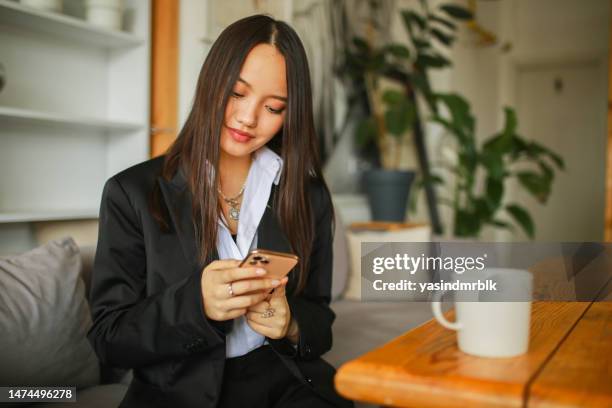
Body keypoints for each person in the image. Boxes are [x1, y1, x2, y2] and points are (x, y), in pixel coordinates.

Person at [86, 13, 355, 408]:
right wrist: (197, 304)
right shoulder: (131, 194)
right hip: (182, 393)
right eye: (237, 92)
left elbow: (321, 319)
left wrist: (292, 324)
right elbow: (109, 340)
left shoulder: (307, 194)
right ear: (212, 82)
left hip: (286, 381)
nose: (248, 118)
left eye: (274, 107)